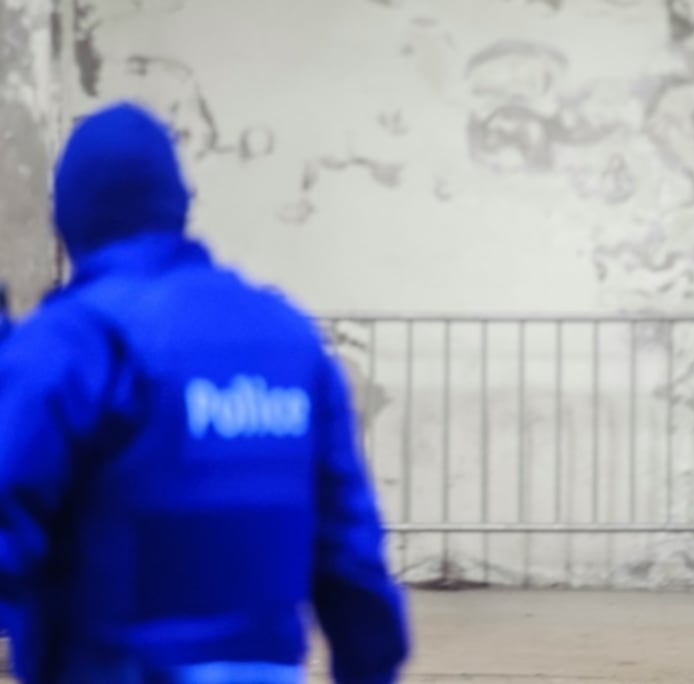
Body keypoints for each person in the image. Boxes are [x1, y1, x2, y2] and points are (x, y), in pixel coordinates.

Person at [0, 102, 410, 683]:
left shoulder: (74, 341)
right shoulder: (287, 336)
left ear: (69, 216)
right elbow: (352, 556)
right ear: (178, 205)